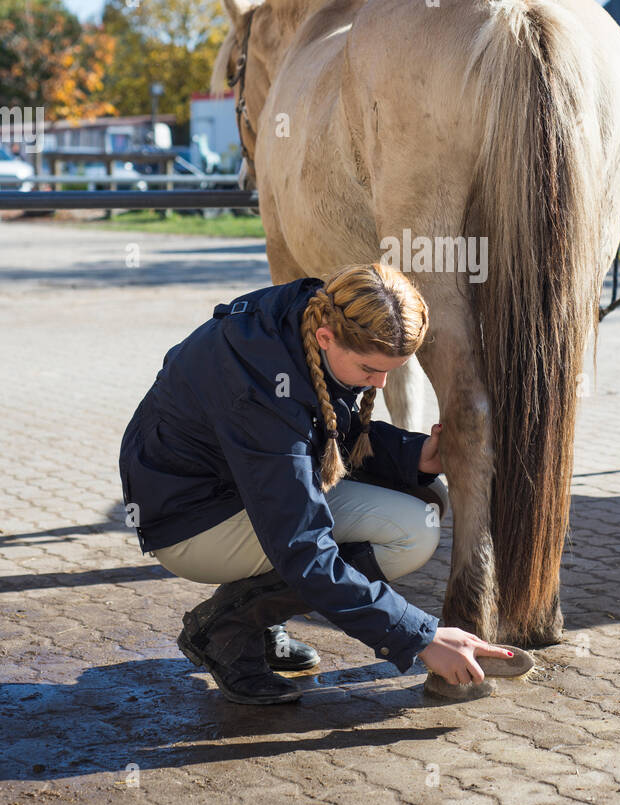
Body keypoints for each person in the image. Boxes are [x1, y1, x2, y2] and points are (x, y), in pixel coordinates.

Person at [118, 261, 516, 705]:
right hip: (191, 524)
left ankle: (254, 616)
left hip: (234, 490)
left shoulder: (307, 317)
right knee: (411, 533)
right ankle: (226, 632)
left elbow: (317, 427)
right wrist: (420, 638)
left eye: (391, 371)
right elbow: (303, 546)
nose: (380, 384)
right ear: (327, 339)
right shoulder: (261, 388)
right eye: (370, 369)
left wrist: (412, 455)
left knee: (423, 495)